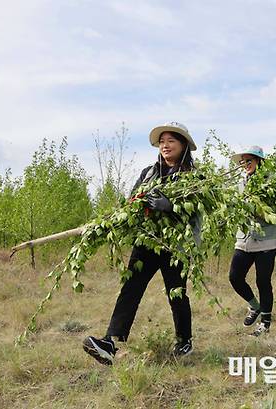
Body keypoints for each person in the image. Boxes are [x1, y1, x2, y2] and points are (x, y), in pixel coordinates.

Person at [83, 121, 198, 365]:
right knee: (130, 288)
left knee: (176, 293)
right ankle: (110, 342)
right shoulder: (148, 173)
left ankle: (184, 340)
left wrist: (172, 208)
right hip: (146, 241)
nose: (165, 146)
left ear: (183, 145)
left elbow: (196, 212)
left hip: (173, 246)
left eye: (171, 141)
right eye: (162, 142)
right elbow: (132, 202)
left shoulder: (195, 178)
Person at [228, 146, 276, 336]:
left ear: (259, 161)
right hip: (244, 238)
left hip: (266, 240)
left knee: (262, 281)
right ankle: (254, 306)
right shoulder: (240, 183)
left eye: (249, 160)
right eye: (243, 161)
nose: (245, 164)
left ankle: (265, 322)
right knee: (235, 277)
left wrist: (258, 209)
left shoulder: (273, 183)